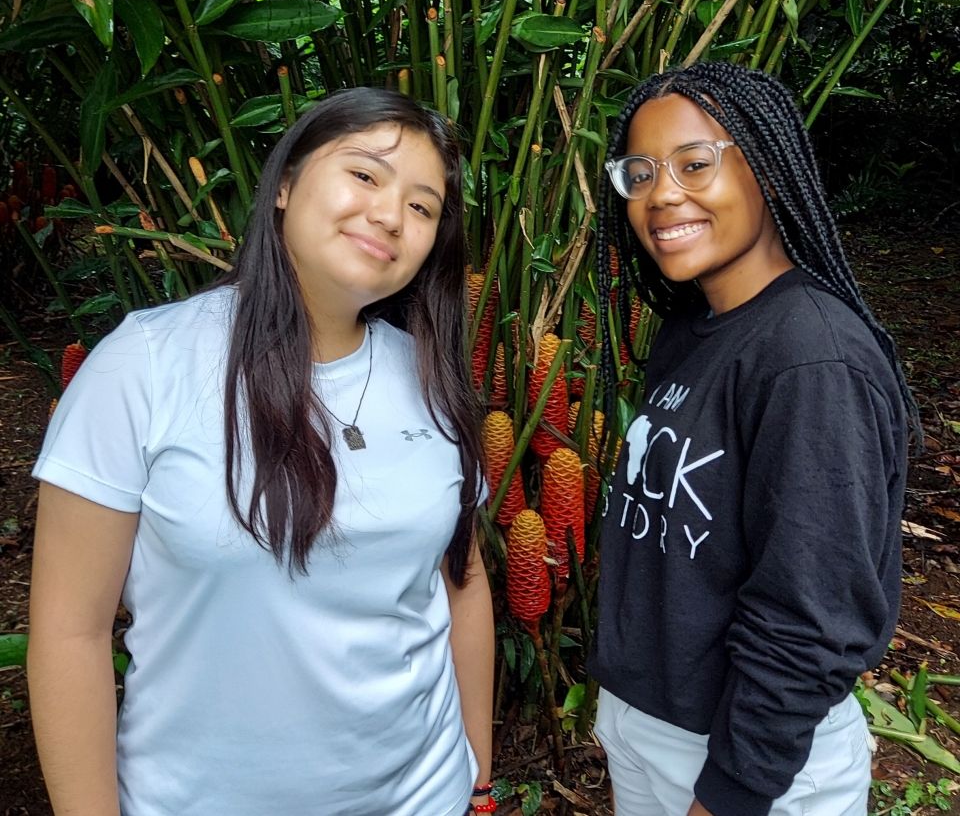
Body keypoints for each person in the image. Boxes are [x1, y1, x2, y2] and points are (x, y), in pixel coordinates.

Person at [28, 88, 495, 816]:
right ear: (284, 184)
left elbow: (461, 584)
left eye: (422, 206)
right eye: (366, 175)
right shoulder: (145, 365)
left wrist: (479, 776)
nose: (388, 214)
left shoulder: (431, 378)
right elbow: (70, 631)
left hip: (423, 796)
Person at [587, 62, 916, 816]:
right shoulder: (691, 328)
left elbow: (811, 614)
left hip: (749, 764)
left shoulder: (810, 356)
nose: (662, 193)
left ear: (766, 165)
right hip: (648, 723)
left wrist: (731, 790)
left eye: (695, 163)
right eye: (638, 173)